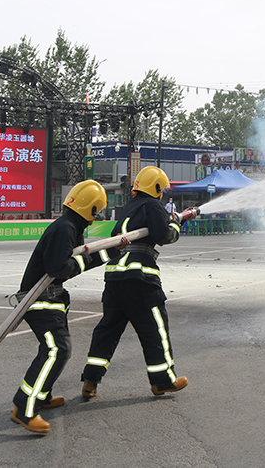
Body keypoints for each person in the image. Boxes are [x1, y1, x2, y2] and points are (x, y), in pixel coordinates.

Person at [81, 166, 190, 401]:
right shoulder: (153, 205)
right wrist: (175, 223)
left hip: (115, 277)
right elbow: (162, 235)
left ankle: (90, 381)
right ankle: (162, 381)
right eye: (163, 191)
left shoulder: (128, 207)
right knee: (154, 329)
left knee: (108, 330)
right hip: (140, 277)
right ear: (157, 189)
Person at [10, 179, 109, 434]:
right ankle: (23, 407)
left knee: (54, 350)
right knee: (58, 350)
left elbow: (79, 259)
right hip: (39, 300)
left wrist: (111, 250)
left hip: (51, 299)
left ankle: (40, 396)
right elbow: (58, 268)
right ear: (91, 209)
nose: (96, 217)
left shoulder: (70, 227)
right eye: (96, 211)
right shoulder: (64, 228)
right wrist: (85, 261)